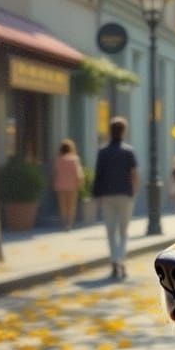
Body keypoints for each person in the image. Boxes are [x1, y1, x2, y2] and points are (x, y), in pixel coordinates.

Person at [93, 116, 138, 280]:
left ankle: (114, 262)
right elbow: (133, 174)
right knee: (123, 231)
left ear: (110, 131)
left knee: (111, 231)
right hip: (125, 195)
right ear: (124, 131)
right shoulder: (128, 151)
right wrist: (134, 191)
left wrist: (97, 194)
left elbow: (98, 174)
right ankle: (120, 261)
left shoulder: (102, 152)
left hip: (107, 195)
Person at [53, 139, 83, 231]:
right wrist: (80, 184)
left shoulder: (58, 159)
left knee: (63, 206)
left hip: (60, 185)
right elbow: (78, 173)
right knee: (71, 206)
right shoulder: (75, 159)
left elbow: (55, 172)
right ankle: (69, 225)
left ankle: (63, 223)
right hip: (72, 186)